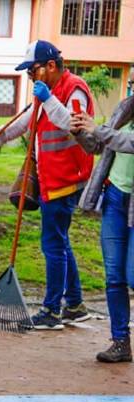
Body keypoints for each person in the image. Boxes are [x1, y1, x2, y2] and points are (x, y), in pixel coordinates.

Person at [0, 40, 95, 330]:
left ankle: (52, 312)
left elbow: (74, 125)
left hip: (67, 179)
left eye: (32, 71)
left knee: (52, 244)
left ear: (50, 66)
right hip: (53, 178)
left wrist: (48, 99)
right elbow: (23, 123)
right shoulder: (45, 93)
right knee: (59, 241)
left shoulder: (74, 88)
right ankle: (74, 305)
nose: (30, 77)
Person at [69, 71, 134, 363]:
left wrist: (99, 130)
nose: (131, 86)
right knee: (114, 275)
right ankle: (120, 342)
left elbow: (128, 142)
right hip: (115, 198)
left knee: (132, 274)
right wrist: (81, 132)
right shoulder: (125, 108)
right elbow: (99, 145)